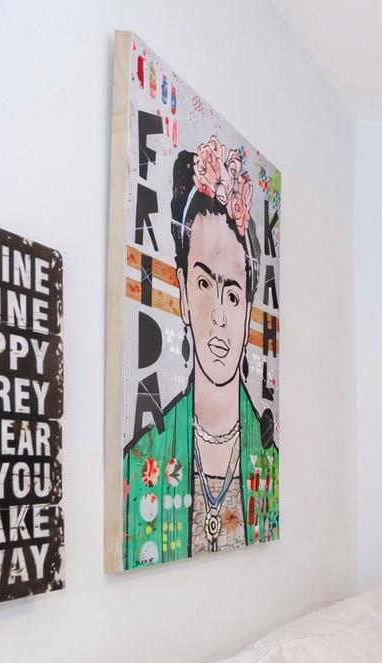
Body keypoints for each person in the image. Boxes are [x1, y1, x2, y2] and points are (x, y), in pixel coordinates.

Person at [122, 137, 279, 568]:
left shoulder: (268, 458)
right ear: (185, 295)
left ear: (248, 311)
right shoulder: (144, 456)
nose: (219, 317)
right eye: (205, 284)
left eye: (231, 294)